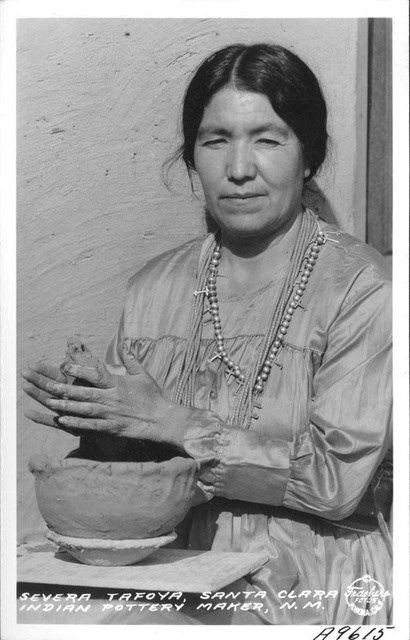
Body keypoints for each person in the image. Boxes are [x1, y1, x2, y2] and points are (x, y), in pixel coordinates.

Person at [22, 43, 392, 625]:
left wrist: (173, 423)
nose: (239, 168)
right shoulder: (152, 287)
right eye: (216, 140)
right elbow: (143, 465)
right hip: (172, 563)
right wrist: (102, 428)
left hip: (316, 580)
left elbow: (334, 482)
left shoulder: (363, 288)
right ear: (192, 156)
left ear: (309, 155)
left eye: (268, 139)